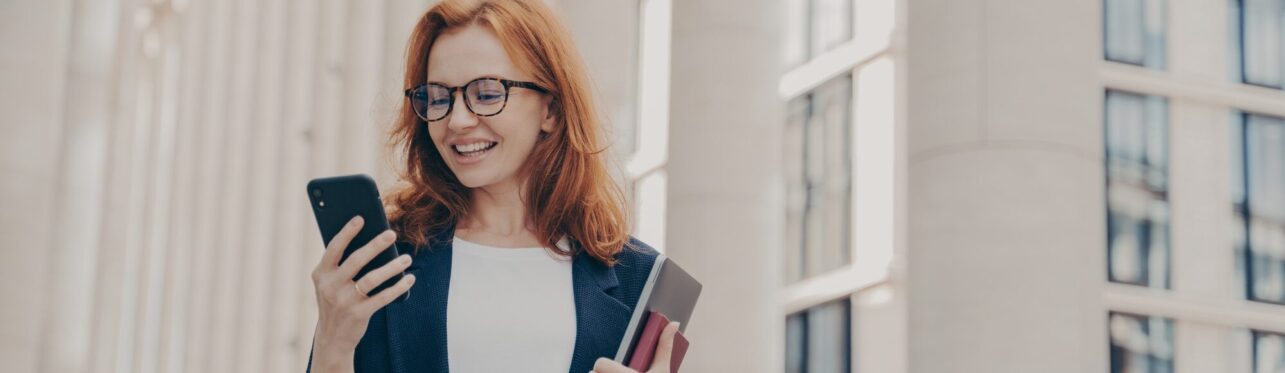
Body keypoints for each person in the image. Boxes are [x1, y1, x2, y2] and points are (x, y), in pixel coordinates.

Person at [306, 0, 680, 372]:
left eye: (486, 93)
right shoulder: (384, 262)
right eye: (438, 97)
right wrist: (332, 347)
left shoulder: (639, 279)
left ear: (550, 110)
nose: (458, 120)